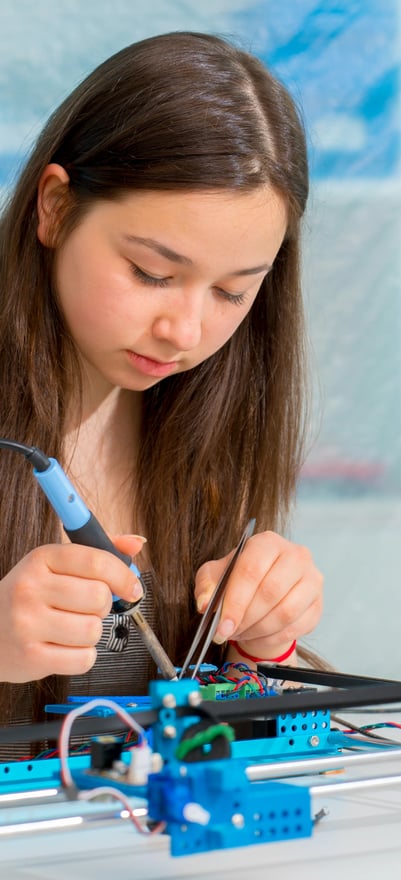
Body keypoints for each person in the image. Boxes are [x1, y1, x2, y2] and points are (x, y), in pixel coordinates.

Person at [0, 31, 323, 743]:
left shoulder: (207, 424)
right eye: (152, 273)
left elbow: (211, 738)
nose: (186, 330)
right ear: (54, 208)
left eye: (233, 293)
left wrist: (265, 649)